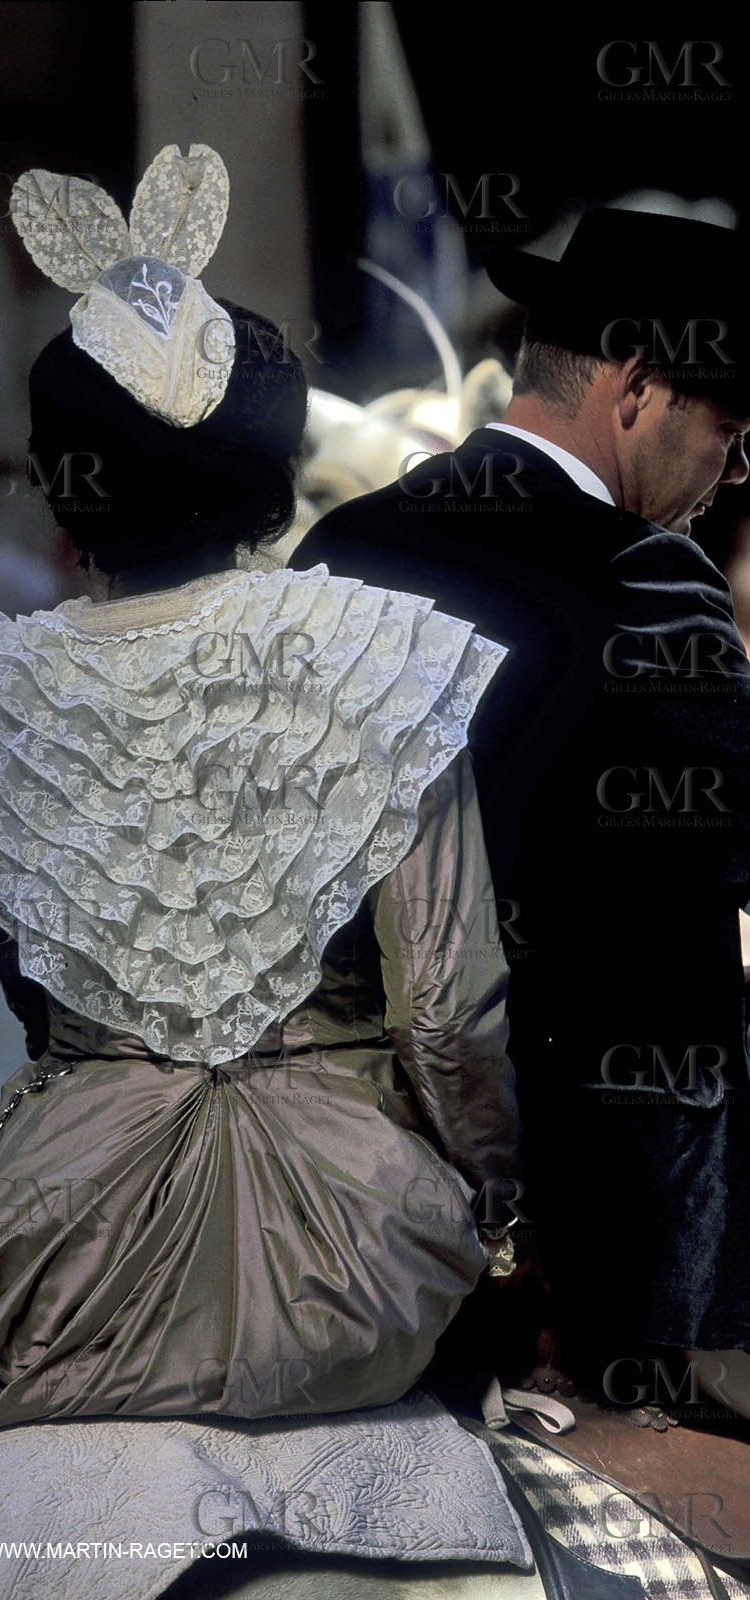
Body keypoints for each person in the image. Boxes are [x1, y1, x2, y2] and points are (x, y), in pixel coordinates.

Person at [0, 146, 522, 1506]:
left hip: (54, 1259)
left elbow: (32, 996)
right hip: (351, 1258)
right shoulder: (384, 657)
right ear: (271, 466)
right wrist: (495, 1218)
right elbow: (449, 1020)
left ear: (66, 489)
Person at [293, 209, 750, 1409]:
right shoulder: (648, 577)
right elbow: (712, 881)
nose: (736, 471)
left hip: (358, 1201)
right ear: (638, 386)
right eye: (729, 427)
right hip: (597, 1246)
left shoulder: (343, 544)